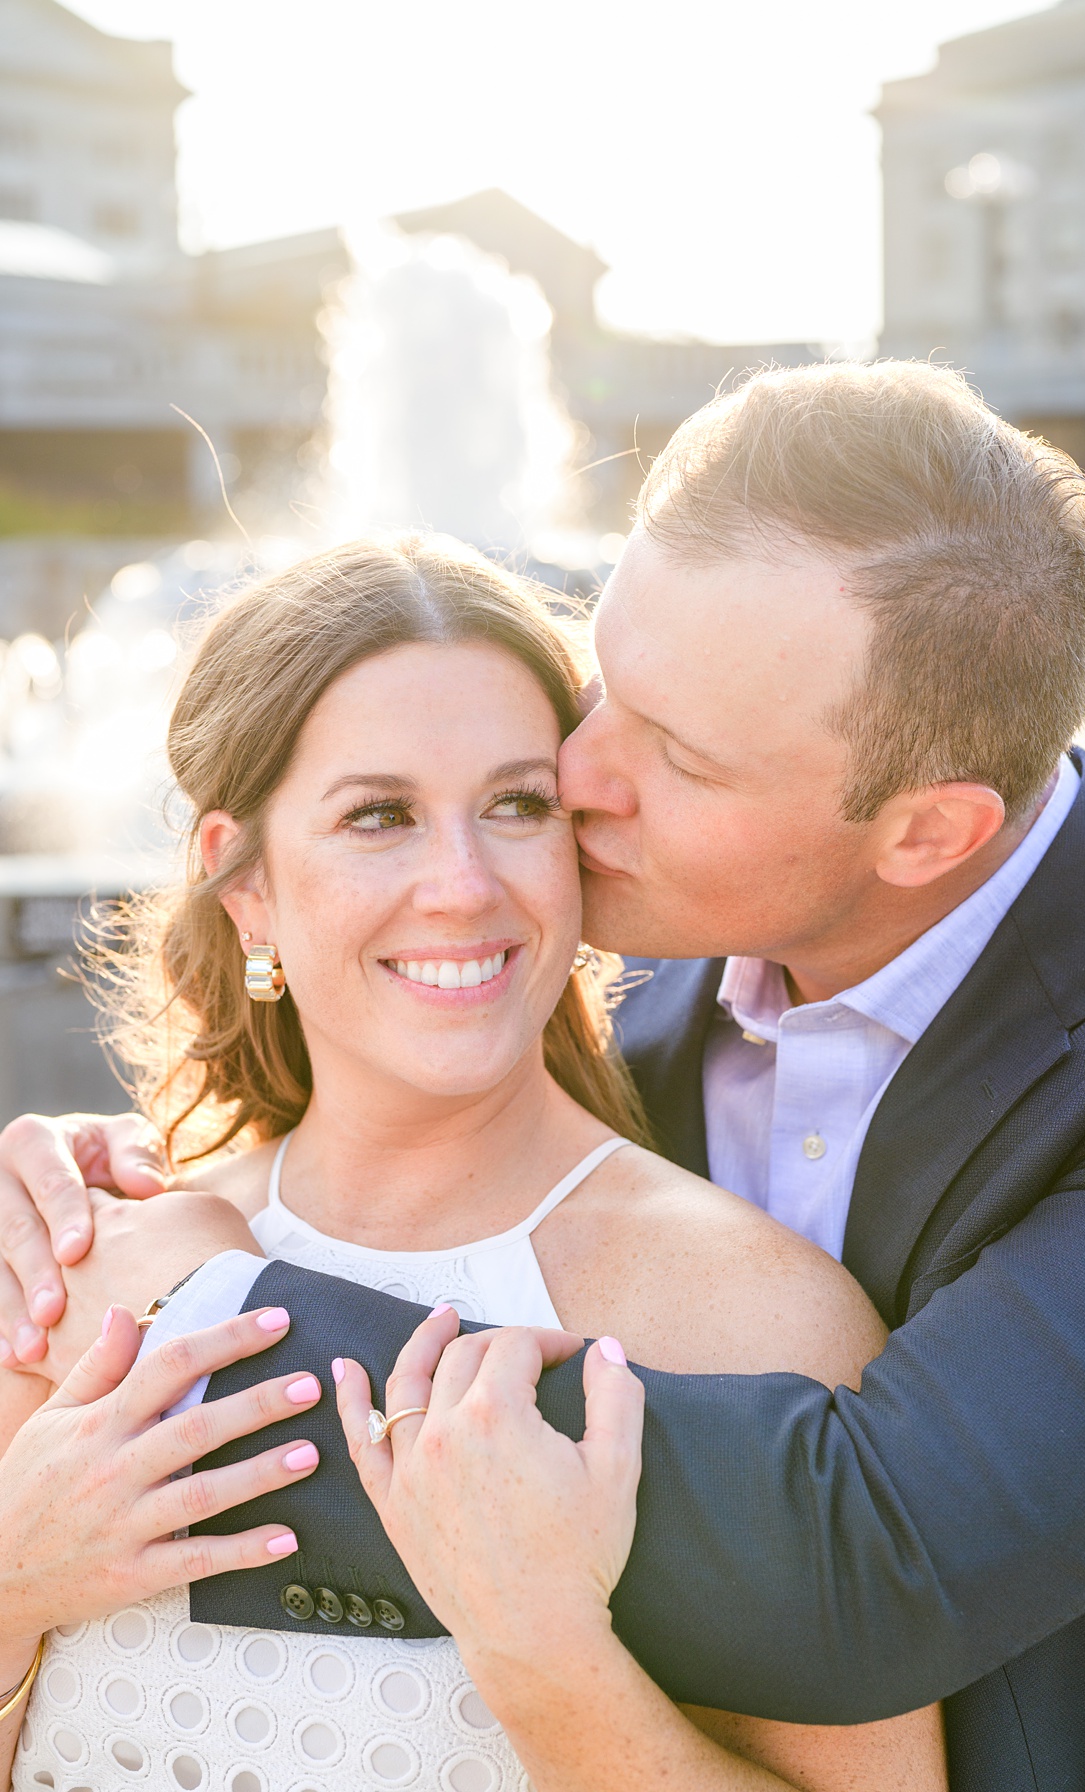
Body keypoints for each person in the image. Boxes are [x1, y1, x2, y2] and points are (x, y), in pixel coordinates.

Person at [0, 362, 1085, 1789]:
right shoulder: (88, 1236)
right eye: (603, 688)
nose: (577, 783)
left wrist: (196, 1309)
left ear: (928, 832)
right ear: (239, 879)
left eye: (671, 754)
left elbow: (873, 1559)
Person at [0, 535, 946, 1790]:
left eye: (517, 804)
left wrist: (544, 1651)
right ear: (250, 892)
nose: (463, 884)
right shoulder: (76, 1257)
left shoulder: (746, 1315)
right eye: (378, 815)